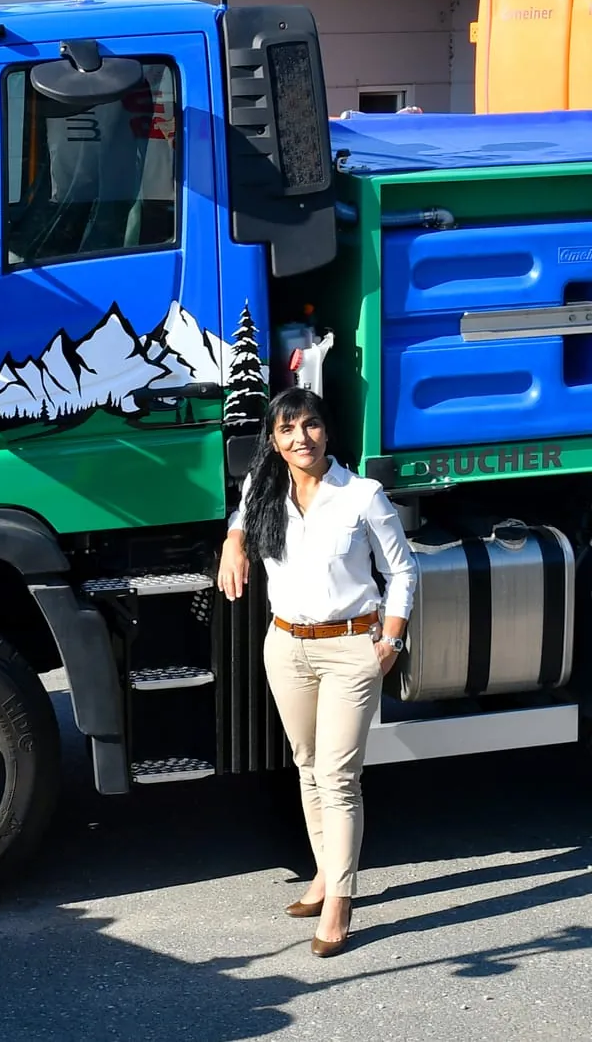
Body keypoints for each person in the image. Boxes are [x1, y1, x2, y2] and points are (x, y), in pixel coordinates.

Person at [217, 387, 417, 958]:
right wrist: (234, 543)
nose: (300, 438)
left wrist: (391, 641)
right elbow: (241, 516)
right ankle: (326, 873)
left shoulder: (361, 495)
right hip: (285, 646)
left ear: (326, 431)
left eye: (309, 425)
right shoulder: (264, 488)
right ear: (273, 440)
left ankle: (340, 901)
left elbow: (402, 571)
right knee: (307, 765)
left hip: (351, 647)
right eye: (287, 429)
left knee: (338, 775)